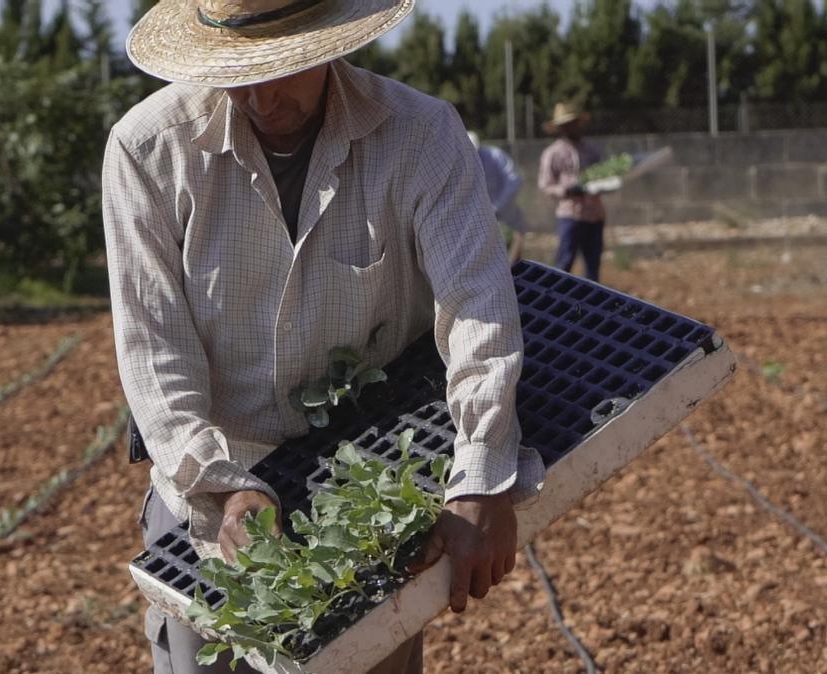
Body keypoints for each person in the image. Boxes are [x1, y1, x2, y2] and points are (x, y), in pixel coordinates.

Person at [102, 1, 544, 673]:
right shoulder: (149, 151)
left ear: (326, 43)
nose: (260, 95)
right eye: (237, 73)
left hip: (368, 464)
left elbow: (476, 304)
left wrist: (482, 471)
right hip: (217, 465)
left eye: (282, 68)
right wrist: (221, 488)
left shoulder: (419, 135)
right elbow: (154, 352)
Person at [538, 102, 608, 280]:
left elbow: (604, 174)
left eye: (574, 122)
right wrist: (567, 191)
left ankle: (592, 304)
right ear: (561, 128)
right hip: (570, 214)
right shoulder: (552, 153)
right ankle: (558, 303)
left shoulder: (592, 149)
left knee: (593, 267)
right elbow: (546, 184)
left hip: (594, 213)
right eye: (567, 124)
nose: (572, 127)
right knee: (564, 263)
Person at [467, 131, 527, 264]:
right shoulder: (461, 164)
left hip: (507, 216)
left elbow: (514, 179)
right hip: (480, 222)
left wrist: (497, 206)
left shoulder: (494, 155)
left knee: (513, 260)